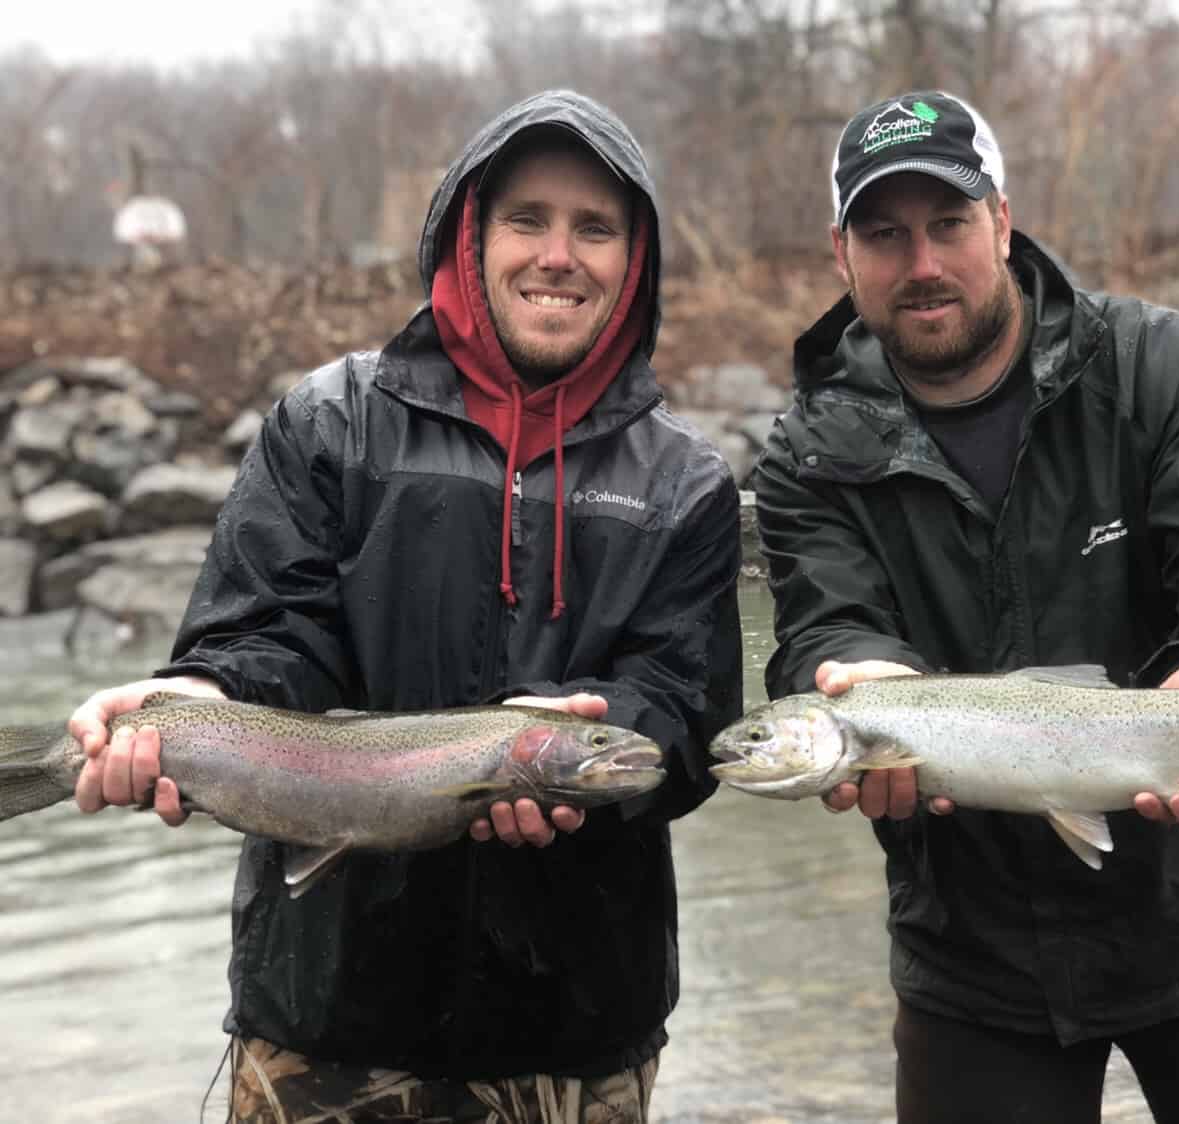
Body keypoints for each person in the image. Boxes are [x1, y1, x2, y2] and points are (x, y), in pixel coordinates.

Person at [68, 90, 743, 1123]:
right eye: (527, 219)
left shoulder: (686, 482)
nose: (559, 254)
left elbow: (683, 717)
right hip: (325, 1023)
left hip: (577, 1034)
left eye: (595, 228)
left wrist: (602, 745)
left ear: (633, 258)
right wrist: (197, 691)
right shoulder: (332, 421)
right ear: (469, 236)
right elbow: (265, 631)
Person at [753, 90, 1179, 1123]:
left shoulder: (1166, 367)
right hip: (970, 949)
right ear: (840, 254)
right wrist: (857, 671)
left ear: (1001, 218)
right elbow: (820, 624)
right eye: (885, 235)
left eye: (948, 223)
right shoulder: (808, 452)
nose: (923, 263)